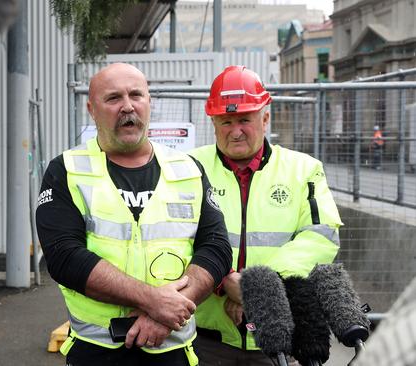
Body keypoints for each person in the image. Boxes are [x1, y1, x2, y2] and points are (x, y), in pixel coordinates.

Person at [36, 63, 232, 366]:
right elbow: (63, 256)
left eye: (136, 95)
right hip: (97, 350)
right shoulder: (67, 170)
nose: (127, 106)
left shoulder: (187, 169)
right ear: (91, 109)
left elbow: (216, 248)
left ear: (149, 102)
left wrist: (166, 314)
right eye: (113, 98)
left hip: (173, 349)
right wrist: (153, 301)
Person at [188, 65, 343, 366]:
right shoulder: (188, 169)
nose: (235, 131)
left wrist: (254, 287)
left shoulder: (303, 169)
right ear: (214, 122)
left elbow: (321, 237)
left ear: (265, 117)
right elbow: (175, 239)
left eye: (245, 119)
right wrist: (222, 283)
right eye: (226, 121)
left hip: (281, 338)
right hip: (206, 340)